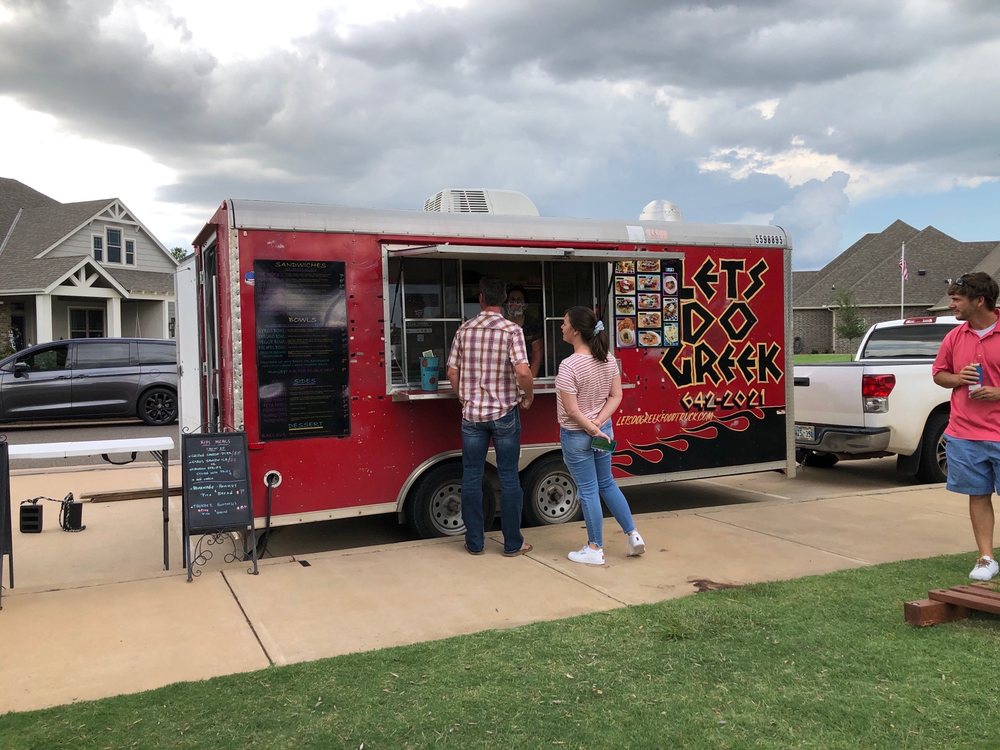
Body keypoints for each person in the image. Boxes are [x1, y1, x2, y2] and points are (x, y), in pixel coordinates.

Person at [447, 277, 534, 556]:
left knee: (471, 476)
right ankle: (512, 543)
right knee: (509, 477)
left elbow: (452, 371)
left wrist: (463, 396)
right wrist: (528, 395)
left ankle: (474, 542)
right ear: (505, 298)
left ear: (481, 298)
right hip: (505, 412)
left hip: (472, 415)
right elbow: (522, 371)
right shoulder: (512, 331)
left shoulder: (464, 329)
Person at [555, 305, 645, 565]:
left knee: (588, 490)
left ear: (574, 331)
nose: (561, 327)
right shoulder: (607, 359)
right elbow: (616, 396)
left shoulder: (568, 366)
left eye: (564, 323)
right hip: (603, 431)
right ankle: (633, 535)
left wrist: (592, 428)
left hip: (578, 435)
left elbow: (571, 411)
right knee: (607, 483)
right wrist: (600, 424)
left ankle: (595, 548)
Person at [932, 272, 1000, 581]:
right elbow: (939, 374)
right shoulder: (954, 337)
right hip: (965, 434)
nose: (952, 305)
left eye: (957, 299)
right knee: (978, 494)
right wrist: (959, 379)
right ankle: (986, 559)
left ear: (980, 300)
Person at [505, 285, 544, 378]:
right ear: (506, 304)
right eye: (512, 299)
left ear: (526, 304)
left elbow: (537, 353)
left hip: (527, 370)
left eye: (519, 300)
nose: (516, 302)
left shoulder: (533, 324)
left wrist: (530, 379)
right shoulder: (501, 324)